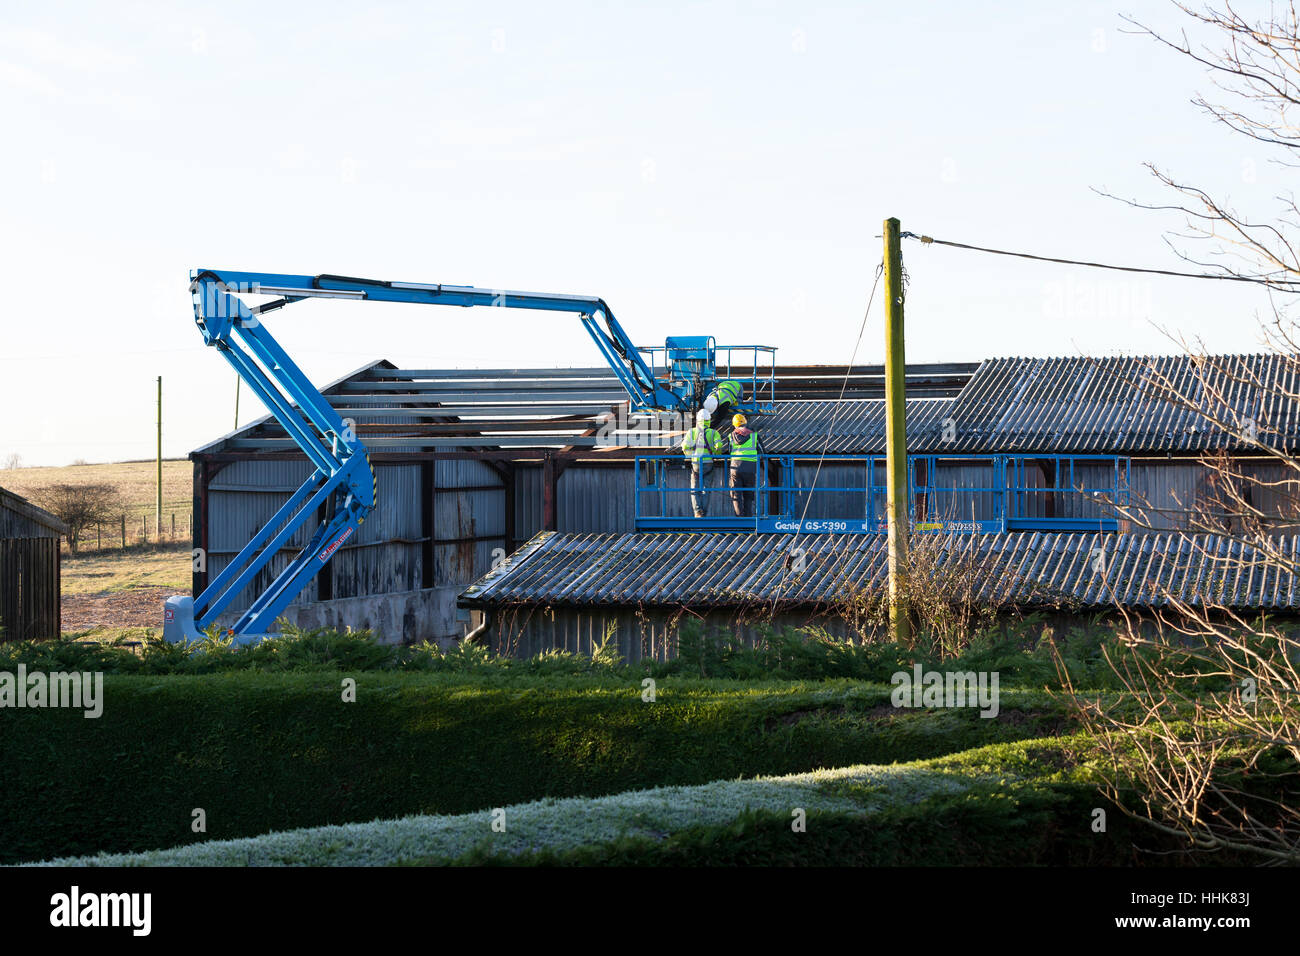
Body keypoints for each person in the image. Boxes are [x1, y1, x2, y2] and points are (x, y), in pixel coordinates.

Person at [681, 408, 726, 518]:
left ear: (697, 421)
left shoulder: (691, 432)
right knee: (707, 489)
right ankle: (704, 513)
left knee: (695, 489)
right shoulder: (713, 433)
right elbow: (719, 446)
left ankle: (697, 511)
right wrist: (716, 454)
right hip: (708, 463)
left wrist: (691, 454)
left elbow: (684, 446)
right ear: (709, 420)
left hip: (696, 464)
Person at [728, 413, 761, 517]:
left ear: (734, 425)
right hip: (750, 467)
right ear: (745, 423)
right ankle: (748, 516)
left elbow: (729, 451)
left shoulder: (731, 436)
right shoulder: (754, 435)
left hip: (735, 467)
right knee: (748, 493)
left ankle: (739, 517)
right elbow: (762, 453)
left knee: (736, 493)